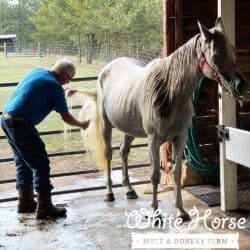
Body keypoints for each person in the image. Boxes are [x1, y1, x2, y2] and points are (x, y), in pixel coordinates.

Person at [1, 58, 89, 219]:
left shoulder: (39, 72)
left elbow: (45, 89)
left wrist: (64, 92)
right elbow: (66, 117)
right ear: (63, 75)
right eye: (69, 78)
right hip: (21, 124)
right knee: (41, 163)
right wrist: (82, 124)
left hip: (6, 120)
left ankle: (25, 201)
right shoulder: (54, 86)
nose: (67, 82)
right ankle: (44, 207)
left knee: (22, 161)